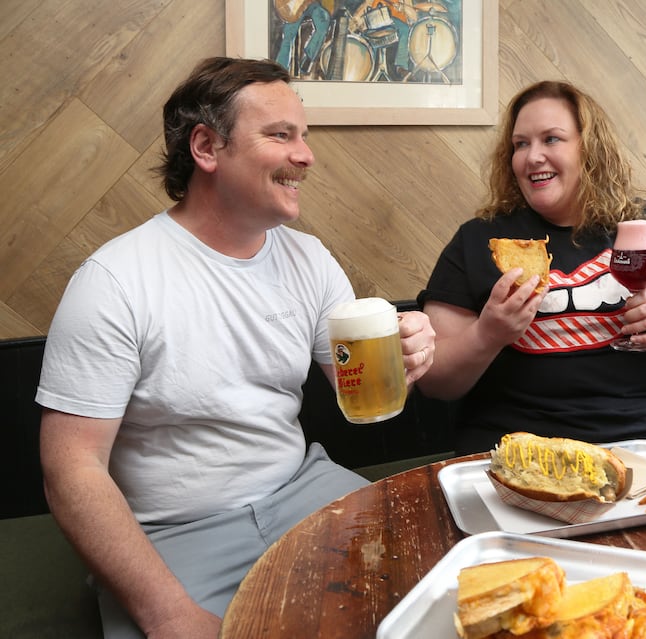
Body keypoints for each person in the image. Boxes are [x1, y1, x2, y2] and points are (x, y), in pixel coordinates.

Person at [36, 57, 435, 639]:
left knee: (442, 595)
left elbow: (359, 390)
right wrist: (168, 614)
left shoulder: (309, 258)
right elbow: (71, 468)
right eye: (281, 135)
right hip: (176, 532)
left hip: (305, 490)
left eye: (303, 136)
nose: (306, 155)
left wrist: (409, 354)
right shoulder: (114, 280)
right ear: (206, 147)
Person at [416, 80, 646, 455]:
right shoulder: (478, 240)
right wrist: (488, 335)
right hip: (519, 446)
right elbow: (435, 381)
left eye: (551, 139)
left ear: (590, 148)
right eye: (520, 144)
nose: (532, 156)